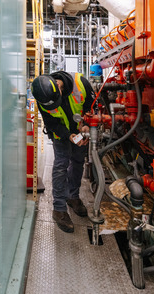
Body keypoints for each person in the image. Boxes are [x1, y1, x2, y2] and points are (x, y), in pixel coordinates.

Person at [31, 71, 96, 233]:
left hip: (80, 130)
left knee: (78, 161)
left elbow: (92, 107)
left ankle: (72, 197)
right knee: (61, 164)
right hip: (61, 133)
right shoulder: (43, 98)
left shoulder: (81, 83)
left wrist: (87, 124)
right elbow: (51, 124)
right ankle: (59, 208)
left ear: (59, 86)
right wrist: (68, 135)